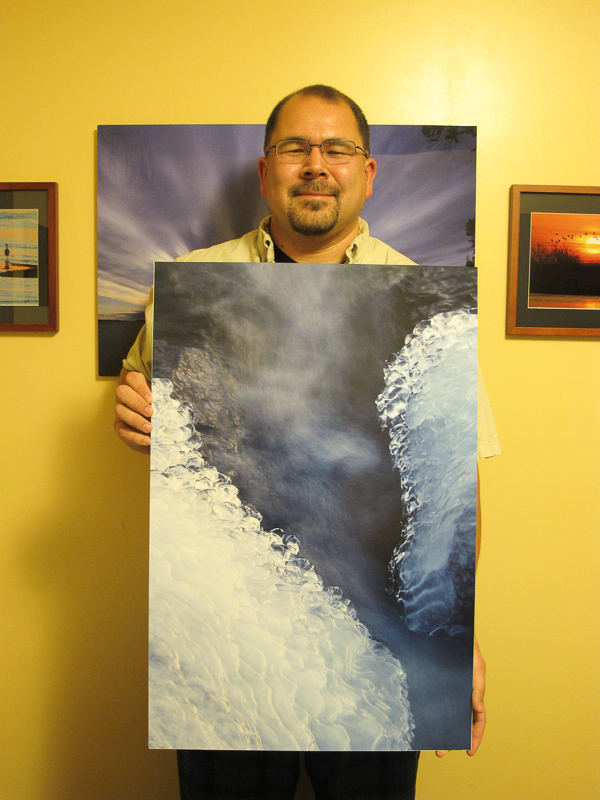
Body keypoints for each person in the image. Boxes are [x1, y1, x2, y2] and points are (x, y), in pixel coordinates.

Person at [115, 84, 499, 800]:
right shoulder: (190, 282)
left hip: (379, 640)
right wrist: (137, 417)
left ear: (367, 172)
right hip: (221, 630)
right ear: (266, 171)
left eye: (337, 149)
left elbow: (457, 483)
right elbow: (147, 408)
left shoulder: (427, 296)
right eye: (295, 148)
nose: (316, 165)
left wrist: (458, 638)